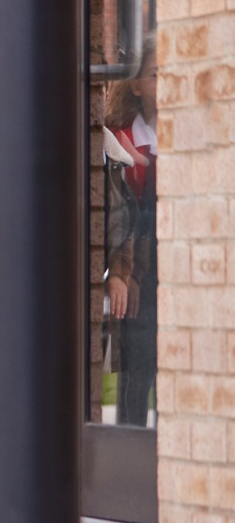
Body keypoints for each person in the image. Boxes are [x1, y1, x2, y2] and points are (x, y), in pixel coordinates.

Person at [103, 61, 157, 426]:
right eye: (155, 73)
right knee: (138, 366)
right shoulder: (121, 140)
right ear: (136, 85)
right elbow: (124, 213)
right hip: (145, 267)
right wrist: (127, 273)